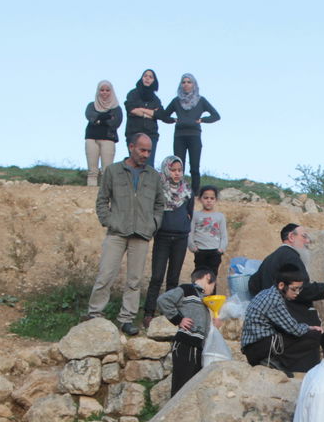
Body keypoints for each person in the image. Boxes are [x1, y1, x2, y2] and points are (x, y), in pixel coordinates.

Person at [86, 133, 164, 335]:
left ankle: (127, 319)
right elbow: (102, 200)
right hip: (117, 232)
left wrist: (153, 224)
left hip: (141, 234)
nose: (146, 154)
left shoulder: (154, 176)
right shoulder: (113, 171)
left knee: (135, 280)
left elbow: (159, 204)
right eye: (142, 150)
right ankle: (95, 315)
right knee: (106, 274)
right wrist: (109, 221)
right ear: (131, 147)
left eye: (149, 150)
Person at [249, 224, 324, 371]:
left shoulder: (269, 259)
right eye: (304, 236)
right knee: (314, 334)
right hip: (291, 313)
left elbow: (252, 284)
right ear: (291, 237)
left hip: (265, 332)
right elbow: (302, 289)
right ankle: (302, 372)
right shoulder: (291, 257)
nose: (307, 241)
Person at [142, 157, 194, 327]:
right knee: (157, 276)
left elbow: (189, 213)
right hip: (162, 237)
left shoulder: (187, 190)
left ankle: (170, 314)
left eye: (179, 170)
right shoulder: (159, 189)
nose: (177, 173)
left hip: (180, 238)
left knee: (173, 278)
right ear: (166, 170)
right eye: (173, 170)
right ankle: (149, 312)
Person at [240, 267, 322, 372]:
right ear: (281, 285)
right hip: (258, 348)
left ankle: (279, 362)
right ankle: (277, 364)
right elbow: (295, 329)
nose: (297, 293)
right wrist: (311, 328)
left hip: (254, 347)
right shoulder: (274, 300)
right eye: (294, 289)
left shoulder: (268, 292)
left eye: (299, 289)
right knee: (313, 336)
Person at [156, 267, 218, 395]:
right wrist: (179, 319)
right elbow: (163, 300)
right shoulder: (187, 289)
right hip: (185, 344)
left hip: (198, 348)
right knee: (180, 387)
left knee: (192, 390)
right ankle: (173, 414)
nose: (213, 289)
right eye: (213, 285)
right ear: (207, 277)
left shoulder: (205, 300)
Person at [158, 73, 220, 196]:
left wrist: (202, 120)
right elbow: (164, 115)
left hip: (194, 135)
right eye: (183, 82)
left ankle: (195, 194)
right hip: (179, 136)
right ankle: (177, 191)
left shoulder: (200, 100)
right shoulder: (176, 101)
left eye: (189, 82)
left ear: (194, 84)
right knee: (177, 166)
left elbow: (216, 116)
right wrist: (174, 120)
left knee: (194, 167)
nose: (186, 84)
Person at [83, 80, 124, 186]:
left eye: (107, 90)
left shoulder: (117, 108)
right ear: (98, 91)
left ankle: (105, 195)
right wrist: (106, 117)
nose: (104, 93)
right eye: (102, 90)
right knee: (92, 171)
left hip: (108, 139)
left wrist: (99, 119)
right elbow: (90, 116)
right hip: (91, 138)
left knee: (107, 171)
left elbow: (115, 123)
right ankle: (90, 193)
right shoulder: (91, 106)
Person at [190, 185, 228, 285]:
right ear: (200, 199)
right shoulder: (195, 215)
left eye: (212, 198)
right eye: (206, 198)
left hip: (215, 252)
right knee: (199, 276)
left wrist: (221, 249)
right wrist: (192, 247)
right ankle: (198, 298)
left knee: (212, 276)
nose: (209, 201)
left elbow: (223, 235)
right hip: (200, 251)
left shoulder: (220, 216)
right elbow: (190, 232)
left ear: (216, 200)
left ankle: (211, 299)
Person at [124, 69, 164, 160]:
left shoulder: (156, 99)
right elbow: (131, 109)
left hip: (151, 134)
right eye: (145, 76)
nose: (147, 78)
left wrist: (141, 109)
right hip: (133, 133)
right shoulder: (133, 94)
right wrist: (149, 113)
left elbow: (160, 114)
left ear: (154, 80)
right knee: (134, 163)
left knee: (148, 166)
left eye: (150, 77)